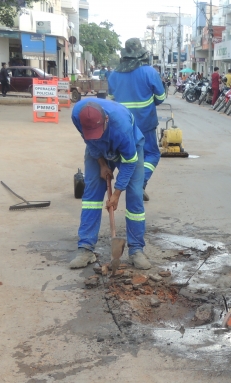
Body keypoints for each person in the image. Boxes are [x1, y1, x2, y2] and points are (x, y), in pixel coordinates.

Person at [69, 99, 151, 270]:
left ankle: (136, 249)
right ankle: (85, 248)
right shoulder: (77, 115)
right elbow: (89, 141)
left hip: (129, 149)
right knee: (91, 196)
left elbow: (129, 163)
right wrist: (102, 164)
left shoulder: (121, 126)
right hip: (96, 150)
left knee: (135, 194)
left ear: (106, 120)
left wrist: (116, 194)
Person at [109, 38, 166, 203]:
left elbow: (112, 100)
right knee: (152, 154)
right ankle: (140, 183)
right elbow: (160, 98)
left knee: (126, 156)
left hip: (121, 125)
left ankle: (131, 183)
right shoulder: (149, 72)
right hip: (145, 123)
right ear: (140, 54)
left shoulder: (114, 75)